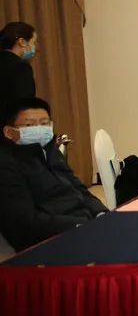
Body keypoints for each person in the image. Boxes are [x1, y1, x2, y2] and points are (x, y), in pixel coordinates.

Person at [0, 96, 107, 252]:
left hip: (82, 226)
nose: (39, 129)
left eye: (44, 124)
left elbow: (79, 188)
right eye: (29, 125)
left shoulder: (51, 151)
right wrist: (79, 224)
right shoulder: (6, 164)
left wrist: (101, 213)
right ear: (9, 132)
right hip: (49, 240)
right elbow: (24, 220)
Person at [0, 22, 38, 114]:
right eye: (33, 42)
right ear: (22, 42)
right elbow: (24, 105)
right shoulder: (20, 68)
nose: (36, 48)